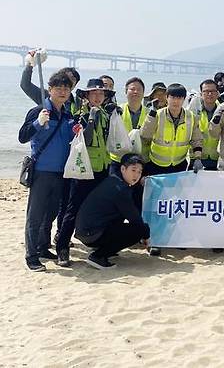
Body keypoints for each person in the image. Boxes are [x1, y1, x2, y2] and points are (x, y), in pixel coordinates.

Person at [18, 71, 77, 271]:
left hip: (60, 173)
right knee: (35, 215)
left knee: (51, 213)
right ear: (50, 90)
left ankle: (43, 247)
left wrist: (79, 130)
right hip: (42, 172)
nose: (62, 91)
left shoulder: (68, 115)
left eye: (66, 88)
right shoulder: (39, 111)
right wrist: (38, 123)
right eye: (58, 88)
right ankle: (31, 256)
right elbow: (22, 136)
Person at [55, 78, 115, 267]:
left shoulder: (106, 114)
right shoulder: (81, 115)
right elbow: (85, 139)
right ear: (87, 96)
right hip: (83, 170)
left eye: (101, 93)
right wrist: (91, 119)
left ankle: (98, 245)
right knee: (72, 210)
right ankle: (62, 248)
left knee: (102, 209)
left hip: (102, 169)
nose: (97, 96)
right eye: (94, 93)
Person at [74, 154, 151, 269]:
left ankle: (105, 249)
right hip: (91, 234)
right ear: (123, 169)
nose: (137, 175)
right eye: (133, 170)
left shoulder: (114, 180)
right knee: (139, 230)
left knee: (123, 221)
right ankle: (98, 256)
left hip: (86, 230)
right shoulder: (120, 189)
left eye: (139, 172)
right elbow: (134, 218)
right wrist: (146, 235)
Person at [141, 83, 204, 175]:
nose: (176, 101)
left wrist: (198, 158)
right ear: (167, 97)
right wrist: (151, 115)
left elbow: (197, 139)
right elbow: (145, 135)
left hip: (179, 164)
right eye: (173, 97)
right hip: (156, 164)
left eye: (179, 98)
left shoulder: (191, 117)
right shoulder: (157, 115)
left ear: (184, 99)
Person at [109, 77, 149, 170]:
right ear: (126, 92)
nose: (135, 92)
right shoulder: (116, 111)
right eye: (132, 89)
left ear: (143, 93)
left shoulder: (150, 114)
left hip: (142, 162)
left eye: (139, 89)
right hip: (119, 160)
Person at [189, 79, 221, 171]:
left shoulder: (223, 111)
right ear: (201, 94)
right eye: (206, 91)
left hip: (217, 158)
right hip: (197, 158)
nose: (209, 94)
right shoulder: (194, 112)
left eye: (212, 91)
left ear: (217, 93)